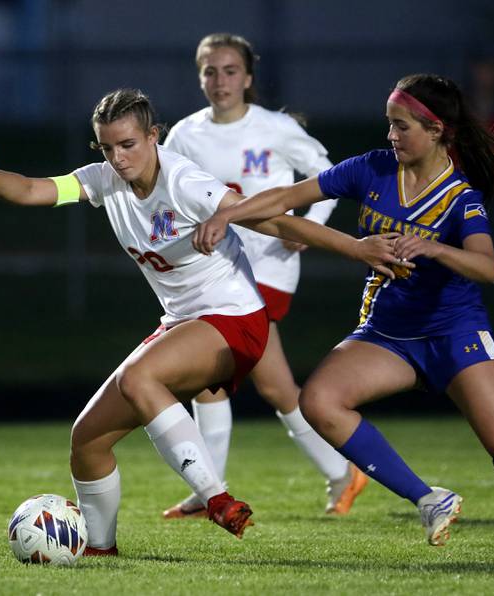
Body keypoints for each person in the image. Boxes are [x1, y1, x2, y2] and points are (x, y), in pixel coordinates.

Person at [193, 74, 494, 561]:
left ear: (436, 130)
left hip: (455, 335)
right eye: (388, 125)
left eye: (402, 126)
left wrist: (435, 247)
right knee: (321, 401)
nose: (391, 136)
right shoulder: (371, 169)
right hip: (388, 335)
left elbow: (488, 268)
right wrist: (230, 213)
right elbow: (289, 197)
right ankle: (429, 498)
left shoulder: (461, 197)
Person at [0, 88, 398, 554]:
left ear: (153, 136)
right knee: (87, 440)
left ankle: (215, 498)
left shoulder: (185, 181)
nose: (118, 158)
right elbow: (31, 190)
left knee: (140, 377)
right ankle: (101, 548)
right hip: (183, 323)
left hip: (235, 318)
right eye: (107, 148)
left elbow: (273, 220)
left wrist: (355, 247)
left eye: (128, 144)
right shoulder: (104, 179)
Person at [161, 32, 367, 519]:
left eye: (230, 71)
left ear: (248, 77)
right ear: (200, 77)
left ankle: (341, 471)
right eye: (210, 71)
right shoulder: (185, 135)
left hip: (269, 267)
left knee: (267, 383)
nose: (220, 80)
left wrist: (309, 226)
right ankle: (210, 488)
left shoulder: (274, 128)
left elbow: (328, 175)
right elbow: (168, 195)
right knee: (213, 379)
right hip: (216, 271)